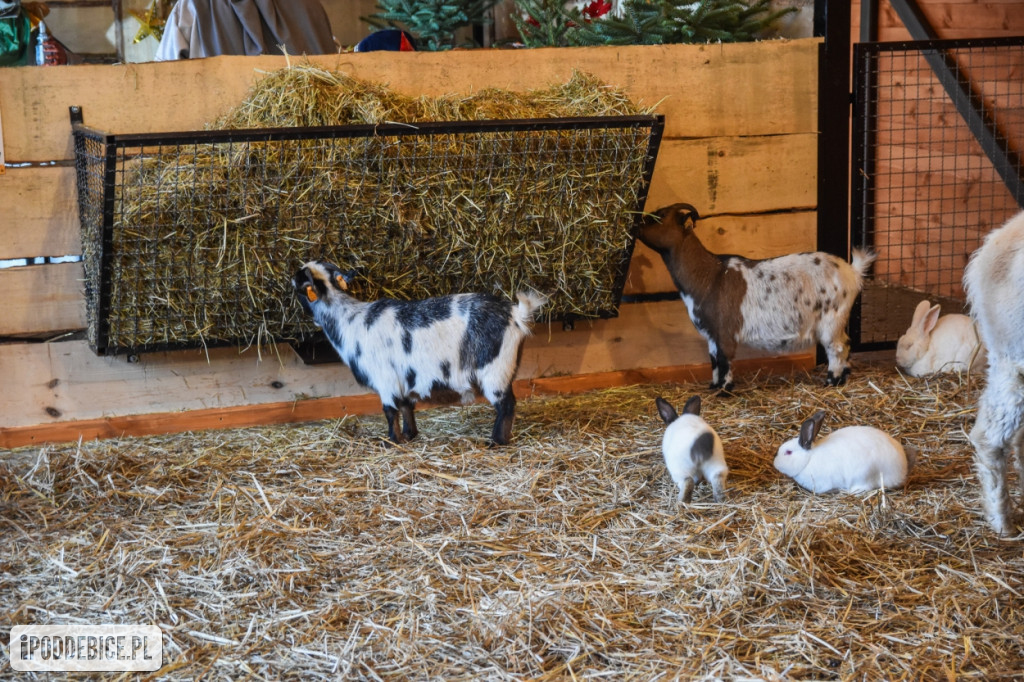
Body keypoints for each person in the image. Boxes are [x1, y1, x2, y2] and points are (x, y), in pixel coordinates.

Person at [155, 0, 336, 61]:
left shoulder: (191, 8)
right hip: (311, 144)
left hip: (217, 144)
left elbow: (164, 87)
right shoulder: (311, 7)